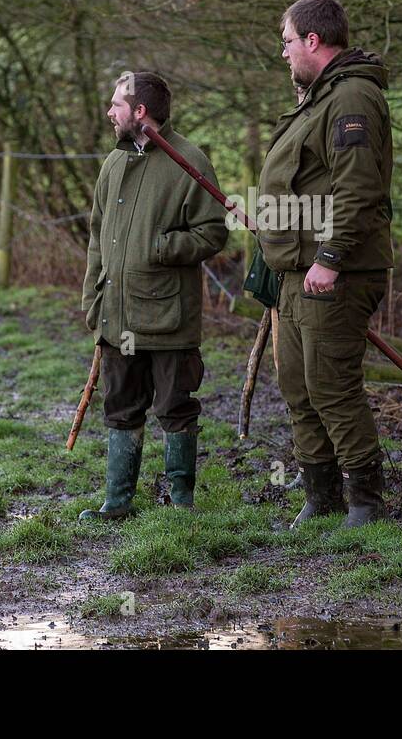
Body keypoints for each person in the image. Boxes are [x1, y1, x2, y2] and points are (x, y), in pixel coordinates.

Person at [258, 0, 395, 528]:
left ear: (313, 40)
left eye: (288, 42)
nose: (285, 53)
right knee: (297, 385)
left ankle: (365, 504)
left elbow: (358, 189)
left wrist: (332, 256)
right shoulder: (316, 98)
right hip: (295, 270)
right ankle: (321, 498)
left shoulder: (353, 98)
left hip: (334, 271)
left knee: (331, 386)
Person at [79, 72, 228, 520]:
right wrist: (92, 298)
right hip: (117, 313)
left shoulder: (190, 161)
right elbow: (95, 236)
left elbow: (214, 232)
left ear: (139, 111)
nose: (110, 113)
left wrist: (162, 247)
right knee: (121, 406)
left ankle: (181, 504)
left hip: (169, 317)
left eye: (116, 105)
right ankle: (117, 503)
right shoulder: (113, 164)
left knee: (174, 408)